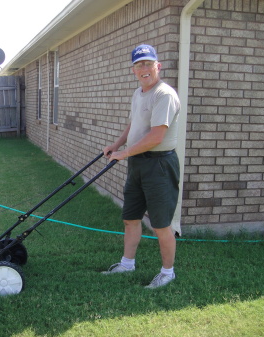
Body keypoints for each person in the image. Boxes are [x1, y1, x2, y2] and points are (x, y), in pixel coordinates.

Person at [102, 44, 181, 289]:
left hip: (159, 165)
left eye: (148, 63)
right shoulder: (139, 93)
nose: (144, 69)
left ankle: (167, 273)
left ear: (158, 66)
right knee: (131, 218)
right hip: (137, 163)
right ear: (133, 70)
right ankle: (127, 264)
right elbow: (133, 125)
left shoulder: (163, 95)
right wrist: (115, 146)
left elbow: (157, 136)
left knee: (160, 224)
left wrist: (123, 153)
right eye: (139, 65)